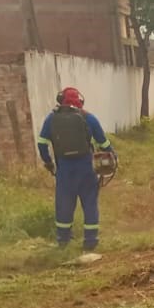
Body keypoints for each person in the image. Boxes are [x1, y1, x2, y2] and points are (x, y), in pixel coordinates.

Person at [37, 87, 114, 251]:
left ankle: (63, 241)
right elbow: (104, 144)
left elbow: (41, 143)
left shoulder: (52, 119)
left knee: (64, 205)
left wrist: (49, 163)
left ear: (61, 100)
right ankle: (90, 241)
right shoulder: (89, 118)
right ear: (80, 101)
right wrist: (113, 156)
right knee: (90, 204)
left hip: (65, 171)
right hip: (87, 170)